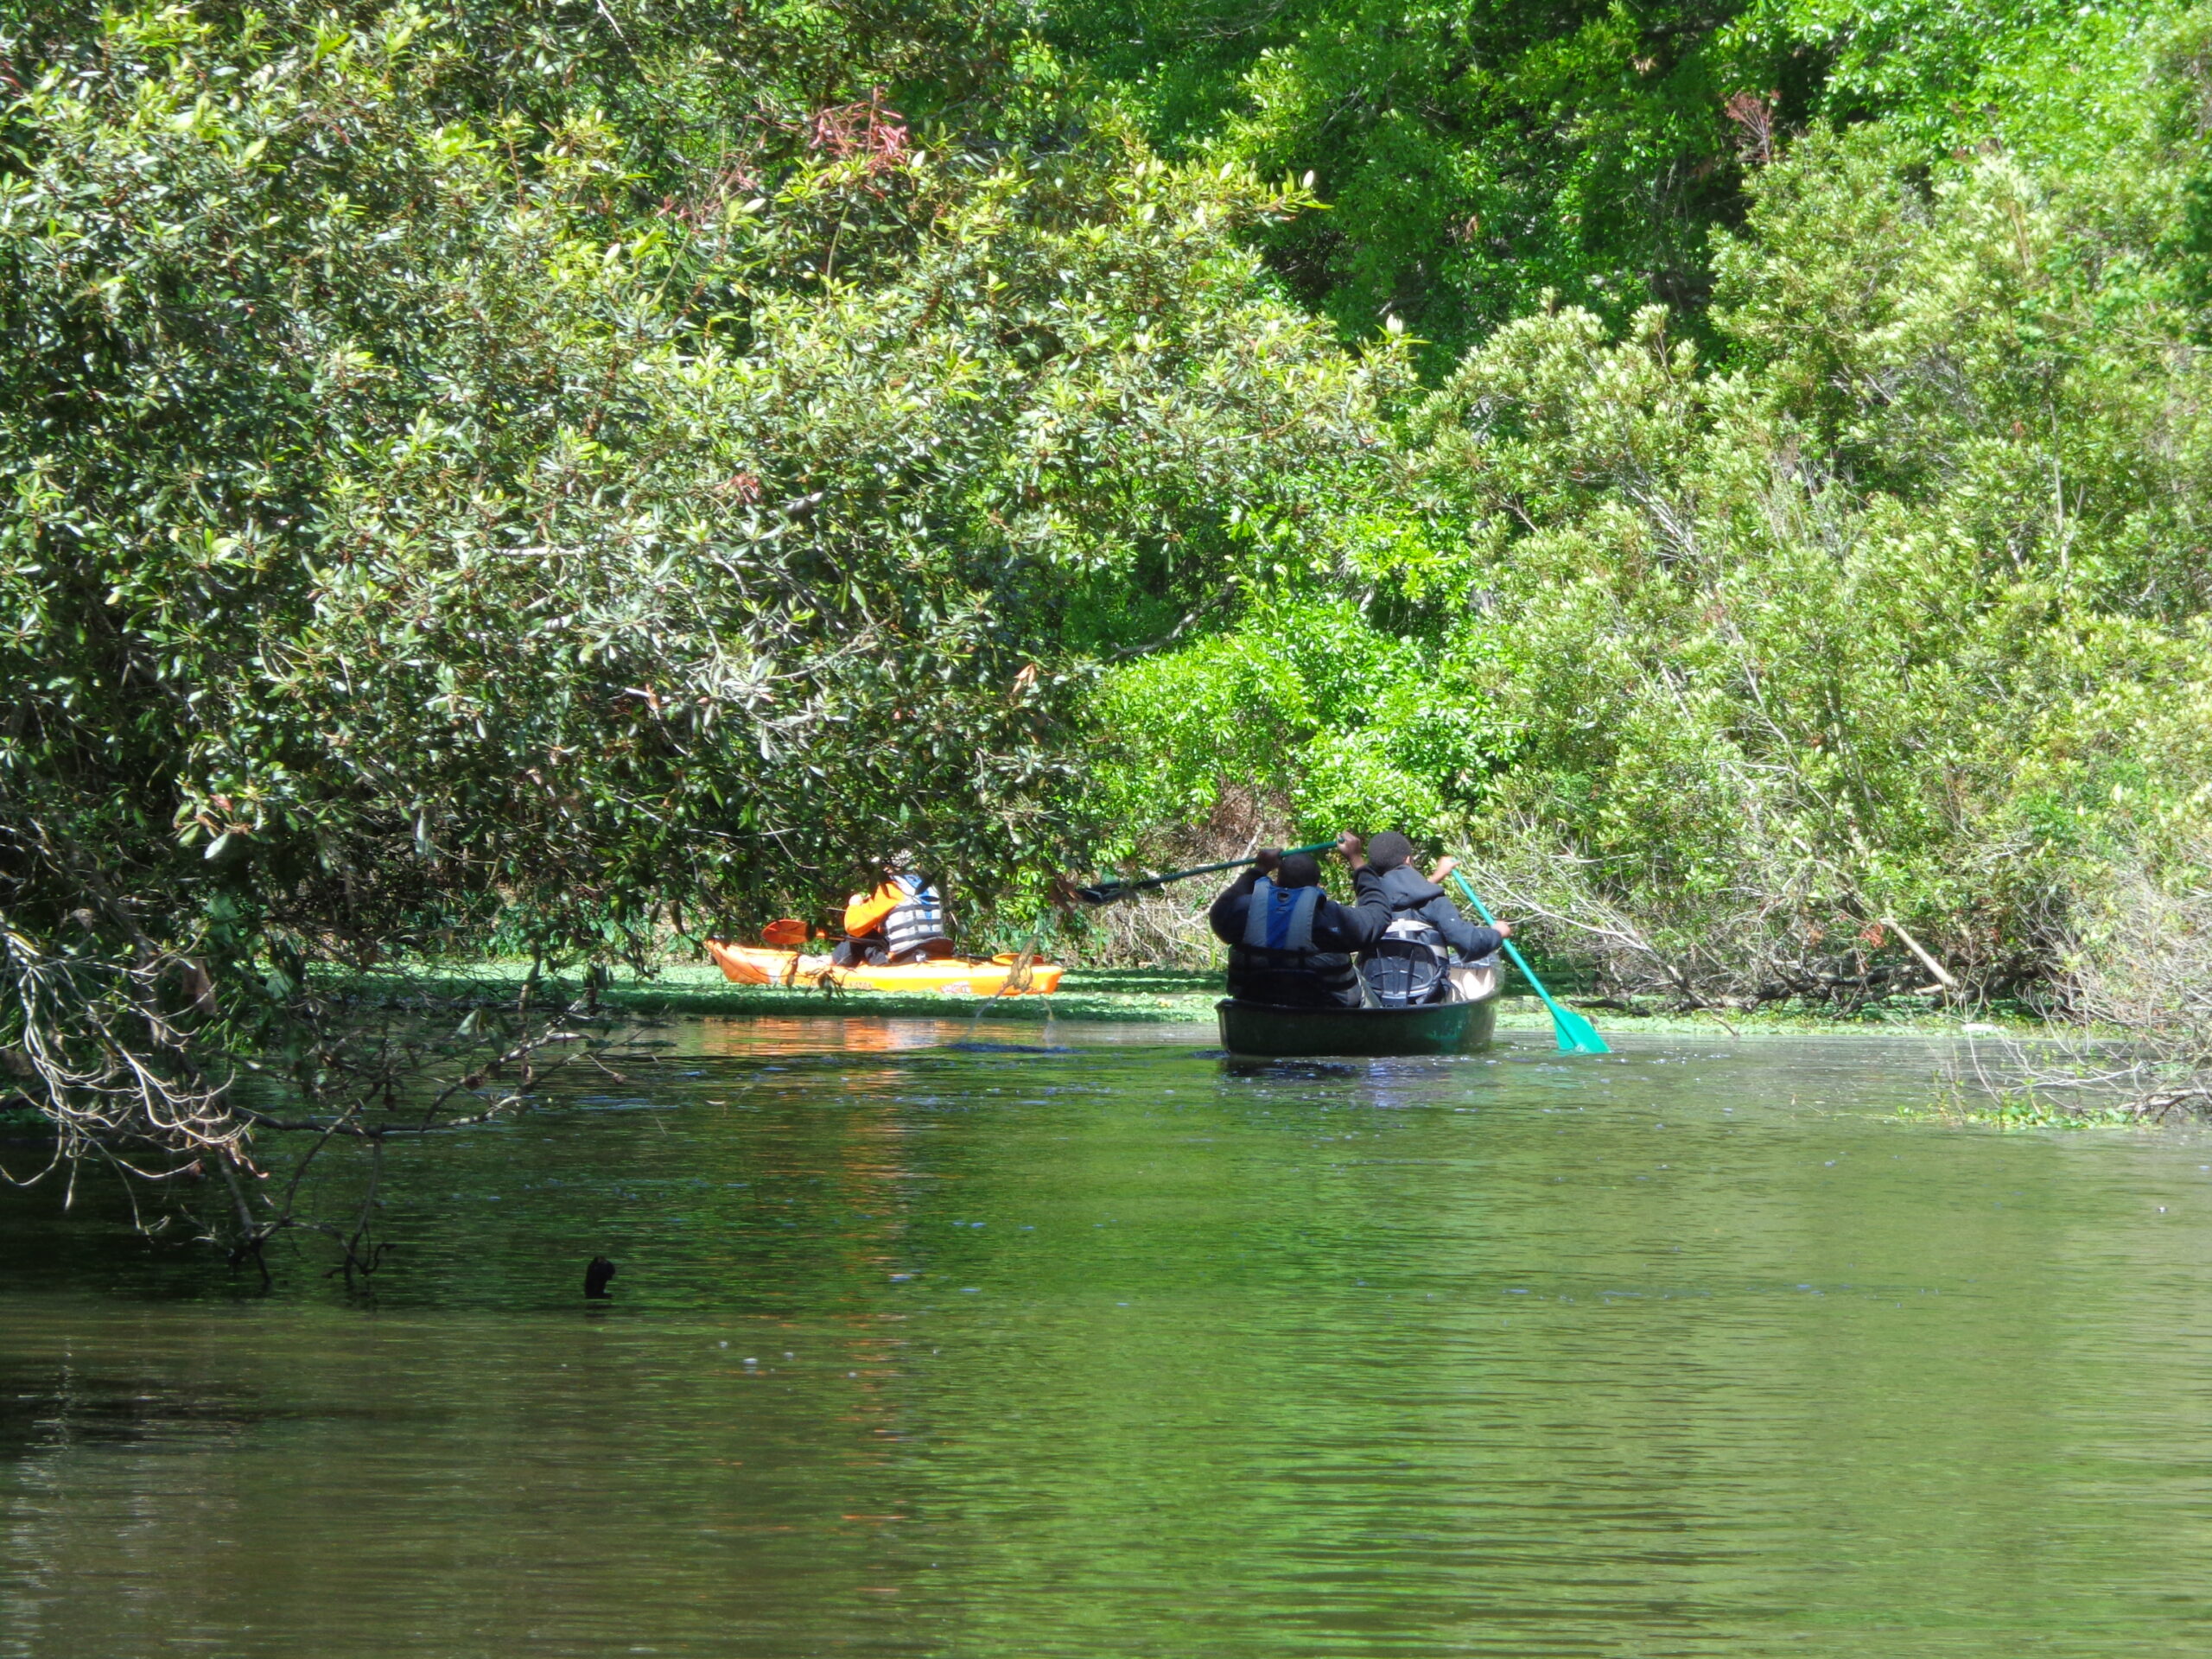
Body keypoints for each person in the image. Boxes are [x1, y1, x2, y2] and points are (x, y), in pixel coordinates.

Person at [1208, 833, 1393, 1008]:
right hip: (1325, 1011)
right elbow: (1378, 913)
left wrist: (1259, 869)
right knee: (1362, 984)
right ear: (1316, 886)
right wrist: (1357, 860)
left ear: (1277, 882)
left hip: (1257, 1009)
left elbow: (1219, 910)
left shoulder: (1243, 913)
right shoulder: (1332, 917)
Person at [1357, 831, 1511, 1006]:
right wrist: (1497, 933)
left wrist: (1438, 876)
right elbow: (1469, 943)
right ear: (1408, 860)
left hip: (1377, 996)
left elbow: (1400, 898)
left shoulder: (1368, 902)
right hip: (1429, 997)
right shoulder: (1434, 901)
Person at [836, 853, 953, 966]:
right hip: (937, 950)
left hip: (905, 957)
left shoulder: (891, 888)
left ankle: (834, 965)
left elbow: (853, 927)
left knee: (858, 936)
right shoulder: (930, 887)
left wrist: (854, 905)